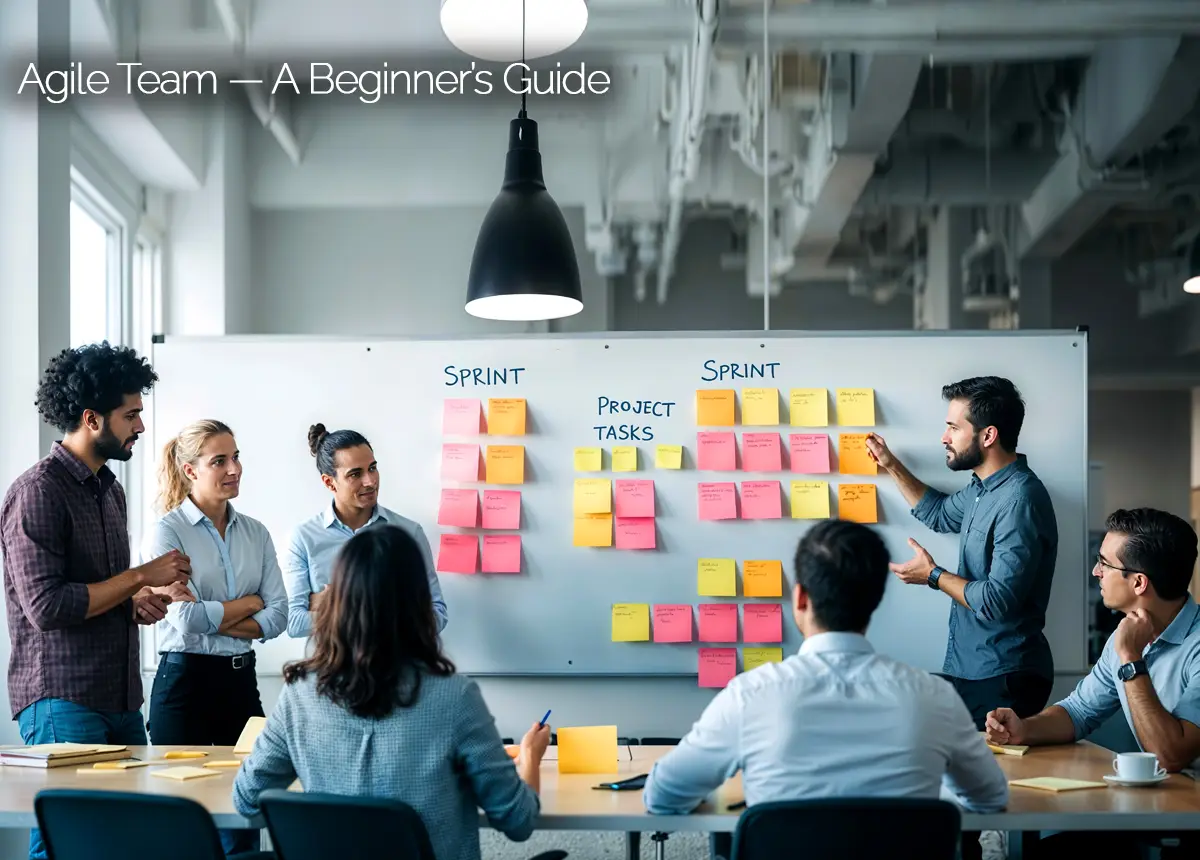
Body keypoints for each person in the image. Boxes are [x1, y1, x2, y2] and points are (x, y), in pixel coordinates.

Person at [642, 519, 1008, 821]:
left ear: (801, 598)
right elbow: (990, 798)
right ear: (876, 600)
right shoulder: (934, 696)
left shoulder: (751, 694)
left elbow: (662, 797)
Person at [233, 525, 548, 860]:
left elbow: (247, 798)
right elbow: (518, 821)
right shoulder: (454, 697)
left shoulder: (300, 694)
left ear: (339, 600)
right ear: (417, 601)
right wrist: (530, 756)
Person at [0, 343, 191, 860]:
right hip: (64, 701)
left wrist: (138, 599)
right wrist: (141, 576)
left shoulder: (110, 490)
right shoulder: (37, 492)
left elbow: (99, 591)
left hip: (122, 699)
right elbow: (46, 607)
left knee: (124, 843)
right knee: (69, 844)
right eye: (131, 415)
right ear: (91, 418)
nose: (141, 428)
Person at [986, 508, 1200, 858]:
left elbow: (1171, 755)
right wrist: (1024, 728)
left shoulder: (1180, 646)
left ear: (1139, 583)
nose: (1095, 571)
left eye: (1104, 563)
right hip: (1158, 811)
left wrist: (1132, 659)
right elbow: (1079, 711)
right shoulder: (1128, 632)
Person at [865, 376, 1058, 728]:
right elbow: (938, 514)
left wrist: (934, 576)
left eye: (953, 427)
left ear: (988, 436)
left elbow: (997, 600)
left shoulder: (1020, 499)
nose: (944, 437)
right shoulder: (981, 490)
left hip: (1006, 674)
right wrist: (890, 464)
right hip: (972, 668)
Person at [143, 419, 288, 856]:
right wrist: (248, 604)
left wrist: (219, 612)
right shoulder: (168, 531)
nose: (234, 469)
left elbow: (279, 615)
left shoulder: (256, 532)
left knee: (244, 812)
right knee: (180, 820)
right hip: (183, 682)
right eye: (219, 461)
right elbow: (185, 620)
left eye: (236, 457)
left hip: (240, 684)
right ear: (190, 471)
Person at [283, 424, 447, 638]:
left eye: (372, 468)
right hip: (332, 669)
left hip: (396, 668)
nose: (370, 481)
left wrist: (339, 602)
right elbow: (295, 623)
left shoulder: (408, 532)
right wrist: (393, 604)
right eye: (355, 474)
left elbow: (436, 615)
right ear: (329, 482)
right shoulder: (304, 538)